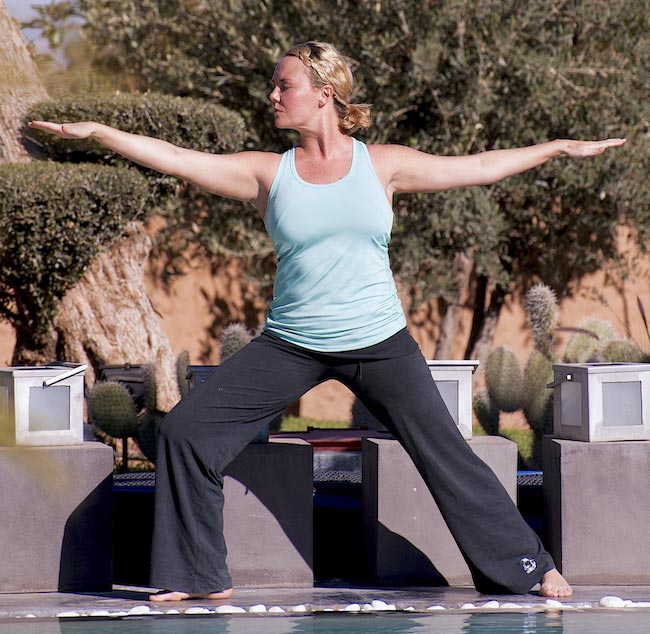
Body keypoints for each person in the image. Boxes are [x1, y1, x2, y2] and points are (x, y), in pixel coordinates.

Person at [30, 40, 624, 602]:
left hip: (380, 342)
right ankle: (199, 572)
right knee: (186, 433)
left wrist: (556, 148)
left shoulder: (383, 164)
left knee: (446, 452)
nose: (272, 95)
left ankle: (530, 566)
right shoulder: (268, 173)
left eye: (281, 85)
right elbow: (182, 159)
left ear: (322, 92)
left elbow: (479, 166)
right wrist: (103, 133)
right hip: (292, 343)